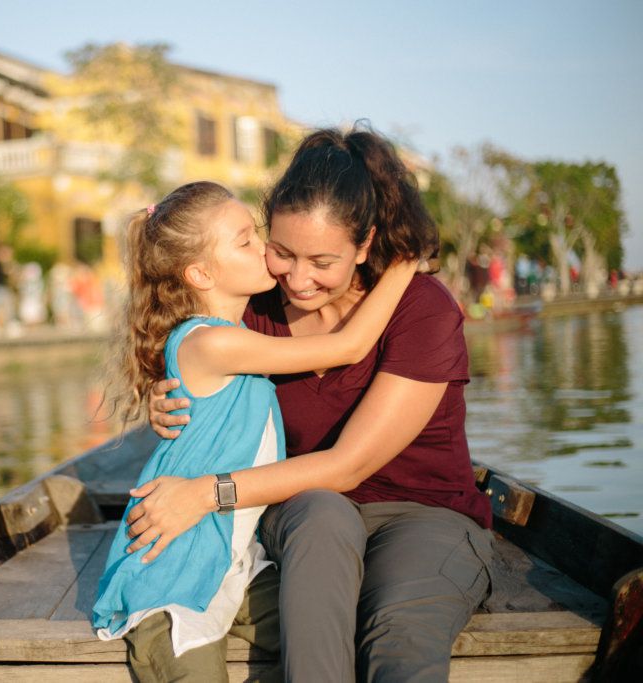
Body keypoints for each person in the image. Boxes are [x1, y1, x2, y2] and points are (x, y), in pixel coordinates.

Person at [140, 126, 494, 682]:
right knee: (323, 512)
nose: (298, 280)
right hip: (303, 511)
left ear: (365, 243)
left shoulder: (421, 308)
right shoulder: (251, 313)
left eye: (322, 262)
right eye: (281, 253)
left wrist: (209, 493)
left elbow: (350, 464)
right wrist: (160, 400)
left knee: (398, 636)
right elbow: (191, 356)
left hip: (423, 515)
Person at [92, 181, 419, 683]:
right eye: (245, 241)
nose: (264, 249)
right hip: (174, 568)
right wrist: (404, 262)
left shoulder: (235, 337)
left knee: (334, 636)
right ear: (201, 273)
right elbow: (349, 346)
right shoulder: (215, 343)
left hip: (235, 562)